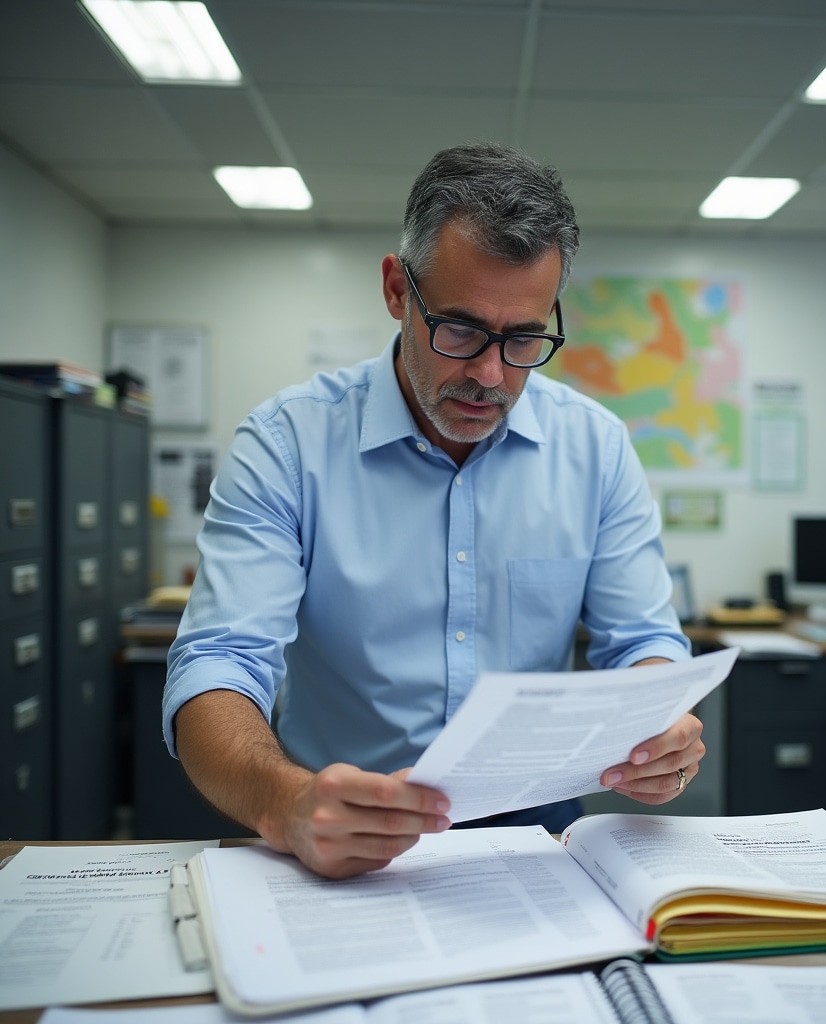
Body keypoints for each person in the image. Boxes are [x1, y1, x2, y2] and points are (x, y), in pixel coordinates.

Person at [163, 142, 703, 880]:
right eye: (459, 330)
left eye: (522, 340)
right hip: (335, 818)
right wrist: (284, 801)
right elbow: (218, 662)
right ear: (395, 289)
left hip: (537, 832)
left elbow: (642, 639)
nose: (489, 375)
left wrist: (660, 729)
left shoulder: (596, 448)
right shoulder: (289, 441)